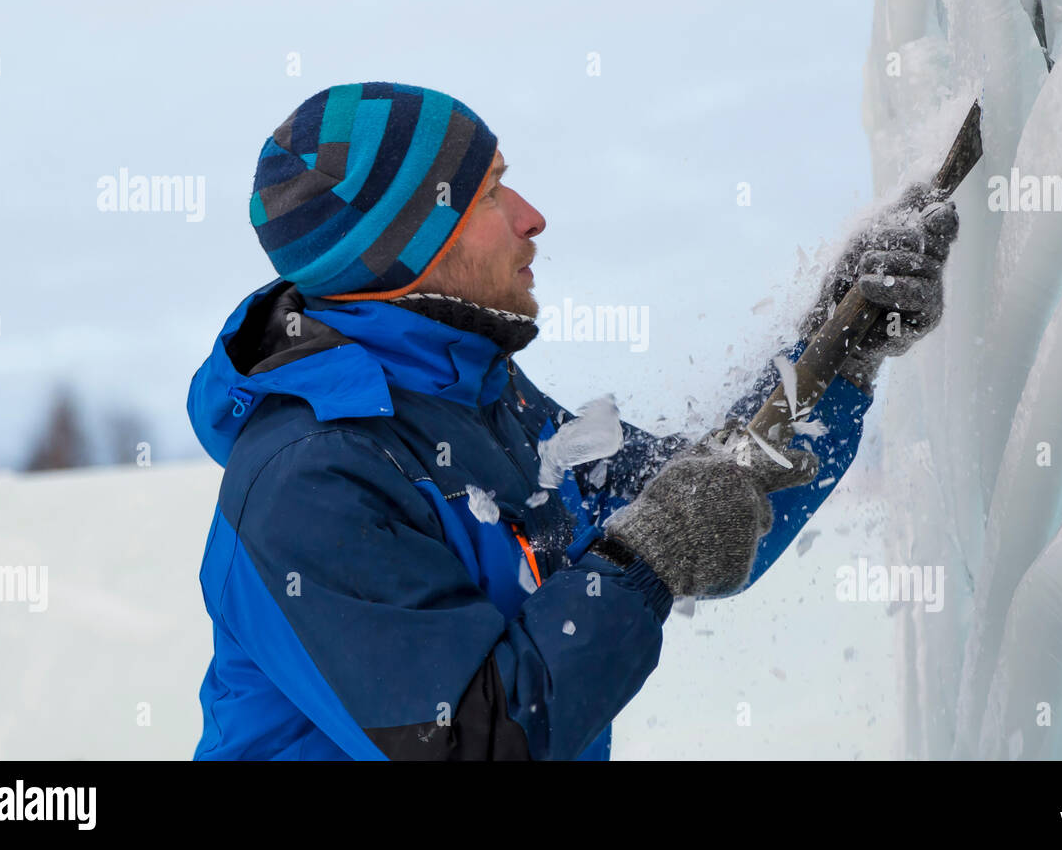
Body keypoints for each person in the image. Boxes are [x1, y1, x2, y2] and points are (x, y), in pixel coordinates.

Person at [187, 81, 957, 760]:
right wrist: (645, 561)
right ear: (402, 248)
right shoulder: (313, 481)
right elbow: (472, 743)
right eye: (491, 193)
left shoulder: (484, 404)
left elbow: (709, 504)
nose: (532, 217)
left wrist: (841, 342)